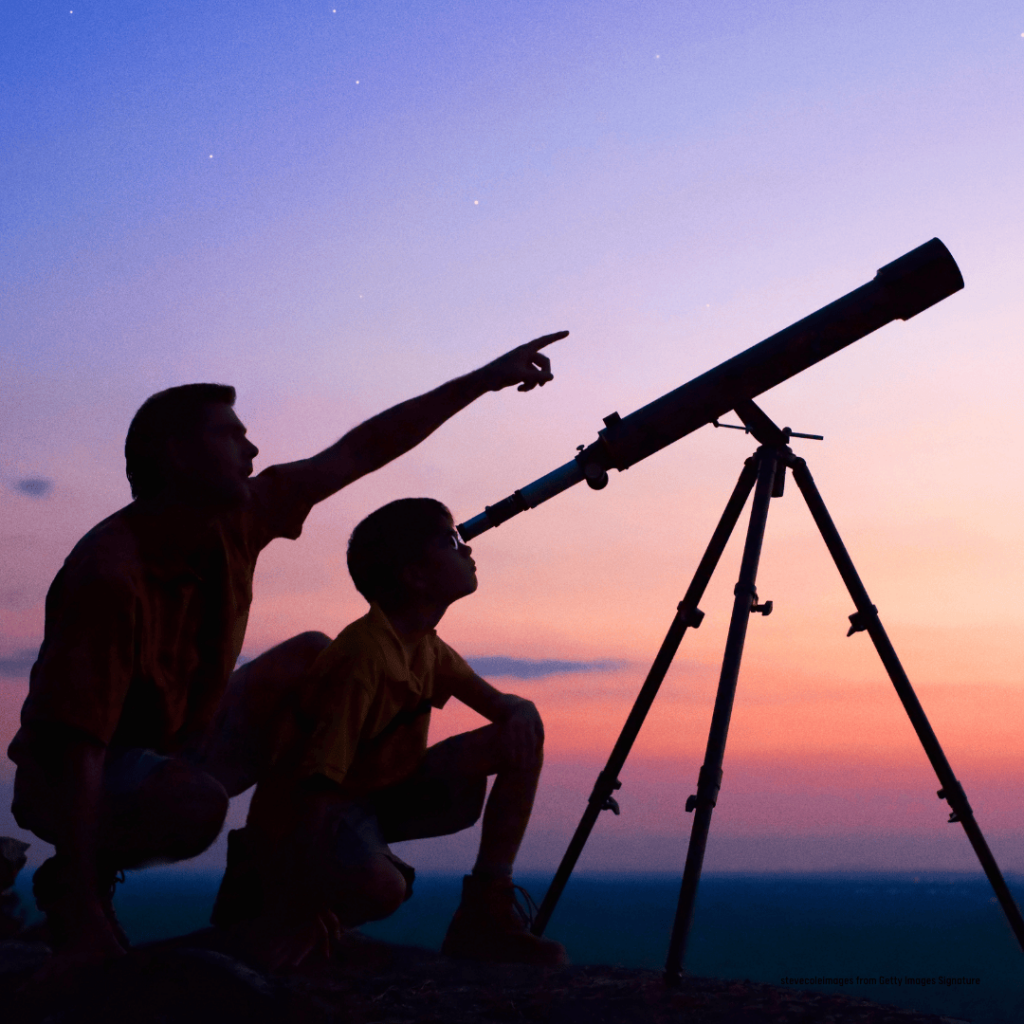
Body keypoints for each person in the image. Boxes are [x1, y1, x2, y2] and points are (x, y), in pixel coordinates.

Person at [7, 331, 565, 971]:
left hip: (177, 746)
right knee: (194, 805)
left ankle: (274, 881)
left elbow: (361, 450)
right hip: (77, 775)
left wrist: (482, 380)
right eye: (229, 435)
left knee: (309, 655)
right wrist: (80, 913)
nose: (252, 448)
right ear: (178, 456)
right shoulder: (108, 574)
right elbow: (78, 749)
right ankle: (82, 886)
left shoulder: (239, 520)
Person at [213, 498, 566, 969]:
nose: (467, 548)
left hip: (373, 795)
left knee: (521, 735)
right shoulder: (364, 657)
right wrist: (303, 901)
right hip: (307, 815)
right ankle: (287, 922)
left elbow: (506, 709)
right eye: (450, 541)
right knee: (385, 889)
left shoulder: (426, 648)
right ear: (415, 576)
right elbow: (315, 789)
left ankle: (485, 911)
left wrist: (523, 709)